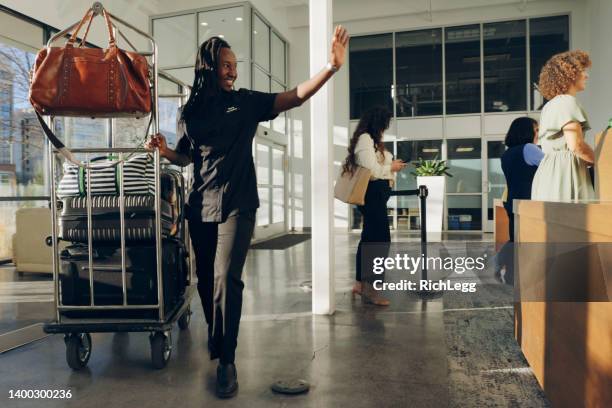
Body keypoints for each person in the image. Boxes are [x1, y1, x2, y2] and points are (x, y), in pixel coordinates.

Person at [146, 27, 349, 398]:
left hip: (238, 205)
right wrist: (165, 153)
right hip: (200, 207)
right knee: (206, 281)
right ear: (208, 66)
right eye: (226, 65)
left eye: (235, 66)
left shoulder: (246, 102)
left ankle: (227, 360)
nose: (233, 72)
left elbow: (295, 97)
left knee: (227, 278)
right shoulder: (189, 111)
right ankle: (216, 332)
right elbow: (188, 156)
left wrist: (330, 68)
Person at [343, 106, 407, 306]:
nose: (385, 128)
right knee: (379, 242)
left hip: (376, 196)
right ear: (377, 123)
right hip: (372, 196)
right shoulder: (365, 139)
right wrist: (391, 168)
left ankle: (360, 285)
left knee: (369, 239)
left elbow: (376, 167)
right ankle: (372, 290)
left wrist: (390, 166)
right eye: (384, 124)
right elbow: (371, 170)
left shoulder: (372, 142)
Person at [531, 50, 595, 202]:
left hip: (550, 173)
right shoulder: (567, 102)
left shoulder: (550, 105)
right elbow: (576, 145)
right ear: (570, 74)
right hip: (566, 172)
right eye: (582, 71)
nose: (587, 76)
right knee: (577, 221)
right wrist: (599, 161)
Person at [501, 117, 543, 242]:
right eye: (536, 129)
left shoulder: (507, 154)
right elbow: (551, 166)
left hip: (512, 201)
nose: (538, 133)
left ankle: (498, 260)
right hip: (528, 202)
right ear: (527, 131)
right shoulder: (529, 148)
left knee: (516, 239)